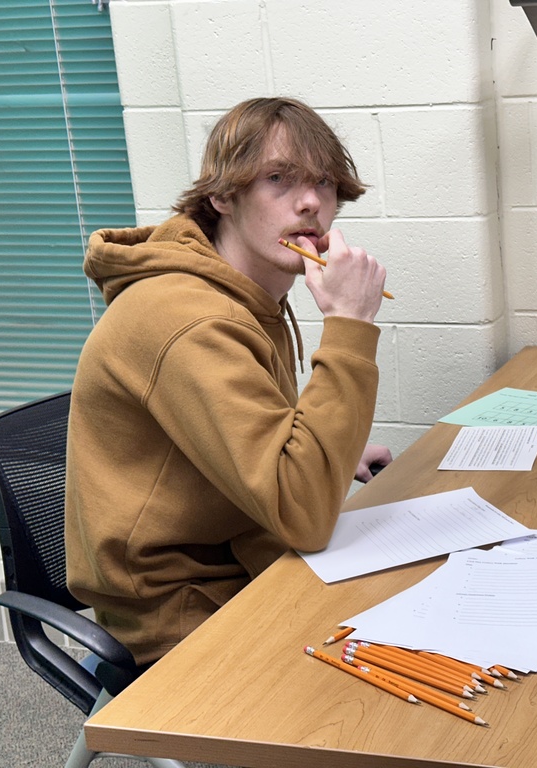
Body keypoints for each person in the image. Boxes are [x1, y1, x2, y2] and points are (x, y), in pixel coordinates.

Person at [65, 97, 393, 666]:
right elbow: (304, 514)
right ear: (222, 196)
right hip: (179, 603)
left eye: (324, 182)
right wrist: (348, 326)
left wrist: (329, 448)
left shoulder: (249, 293)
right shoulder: (190, 318)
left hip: (246, 549)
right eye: (277, 179)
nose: (311, 201)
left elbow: (256, 440)